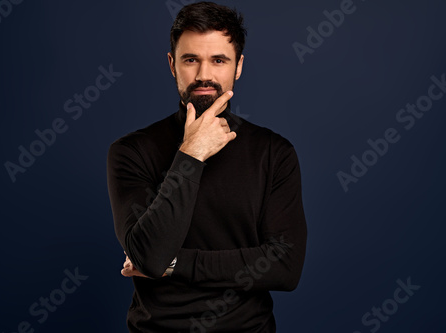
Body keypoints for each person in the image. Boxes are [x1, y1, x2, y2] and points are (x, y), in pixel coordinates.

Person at [107, 2, 307, 332]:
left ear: (238, 66)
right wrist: (192, 154)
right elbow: (150, 254)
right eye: (191, 60)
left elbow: (285, 267)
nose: (203, 74)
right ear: (172, 64)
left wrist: (174, 264)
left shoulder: (274, 153)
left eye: (218, 60)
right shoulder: (130, 152)